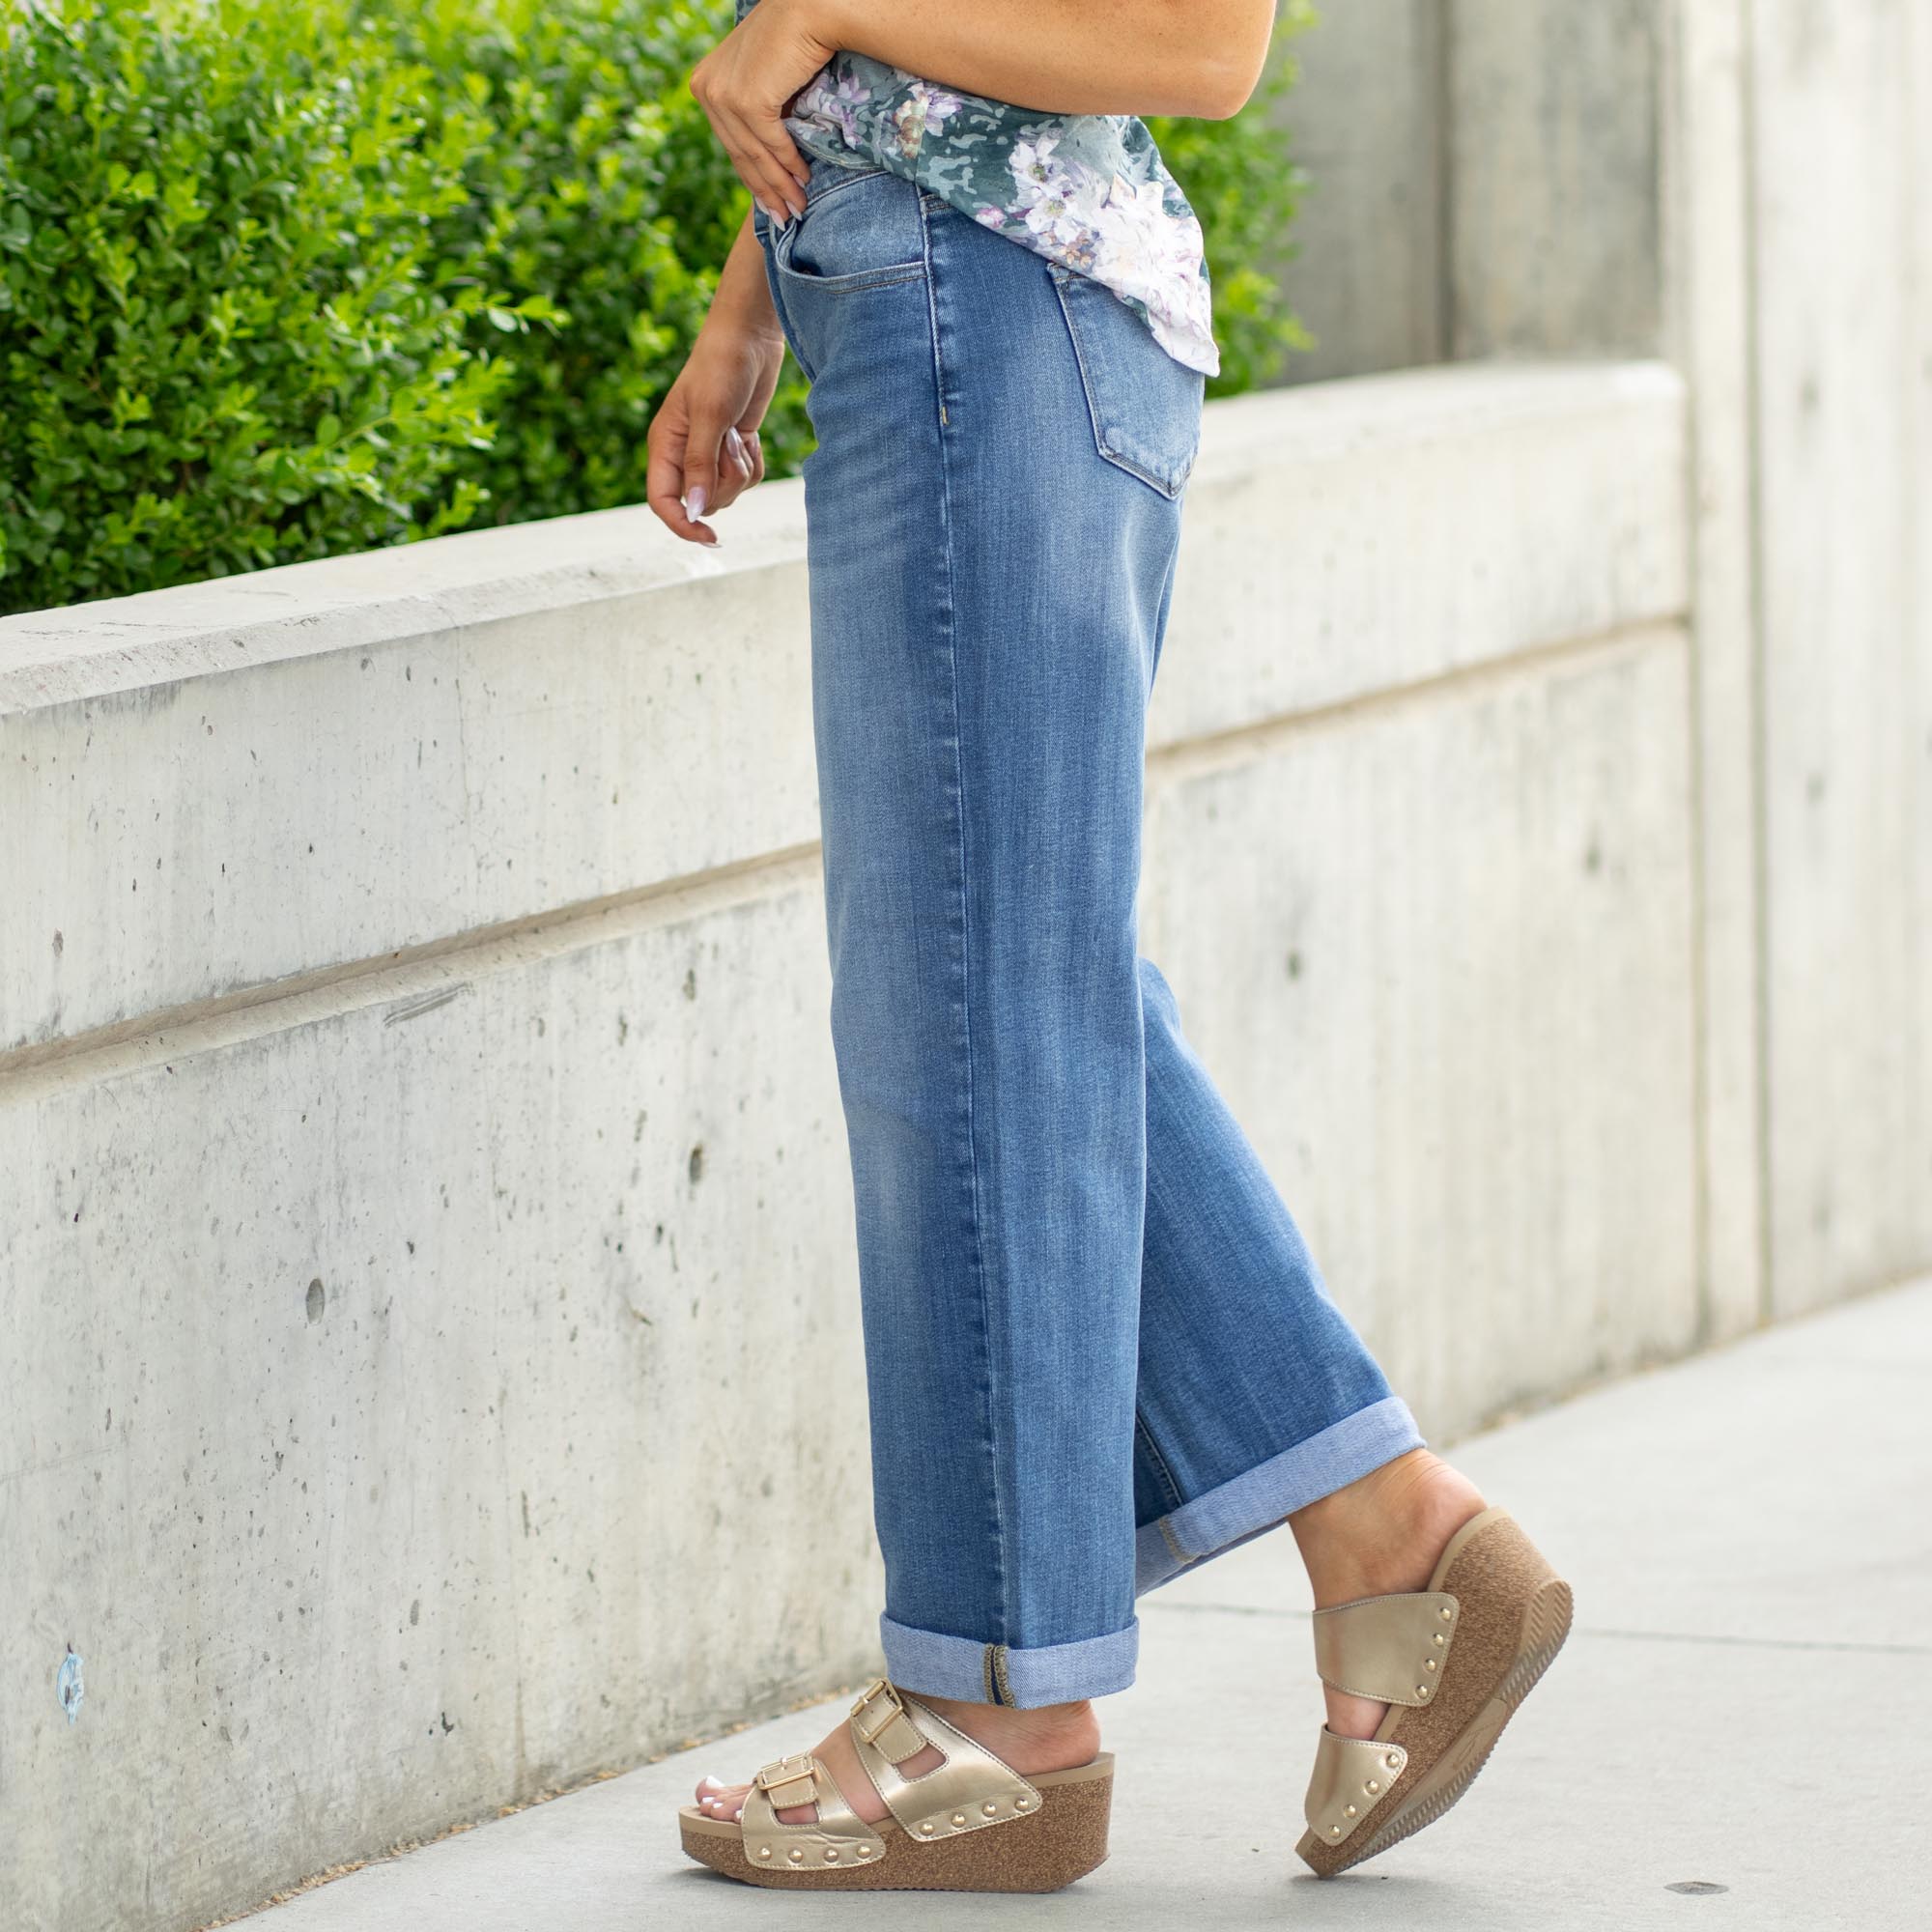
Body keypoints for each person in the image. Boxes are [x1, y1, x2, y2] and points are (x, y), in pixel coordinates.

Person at [649, 0, 1571, 1892]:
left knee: (978, 1000)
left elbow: (1200, 40)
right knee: (1001, 988)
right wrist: (755, 299)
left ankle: (999, 1706)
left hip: (990, 312)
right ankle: (1389, 1537)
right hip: (940, 303)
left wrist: (814, 12)